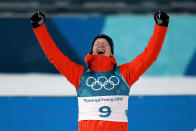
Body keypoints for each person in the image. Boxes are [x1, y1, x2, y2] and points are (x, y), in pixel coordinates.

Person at [30, 11, 169, 131]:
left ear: (111, 53)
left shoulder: (124, 74)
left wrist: (161, 26)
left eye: (105, 44)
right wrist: (39, 27)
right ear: (92, 51)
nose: (101, 44)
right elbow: (55, 56)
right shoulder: (80, 75)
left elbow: (149, 56)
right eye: (97, 43)